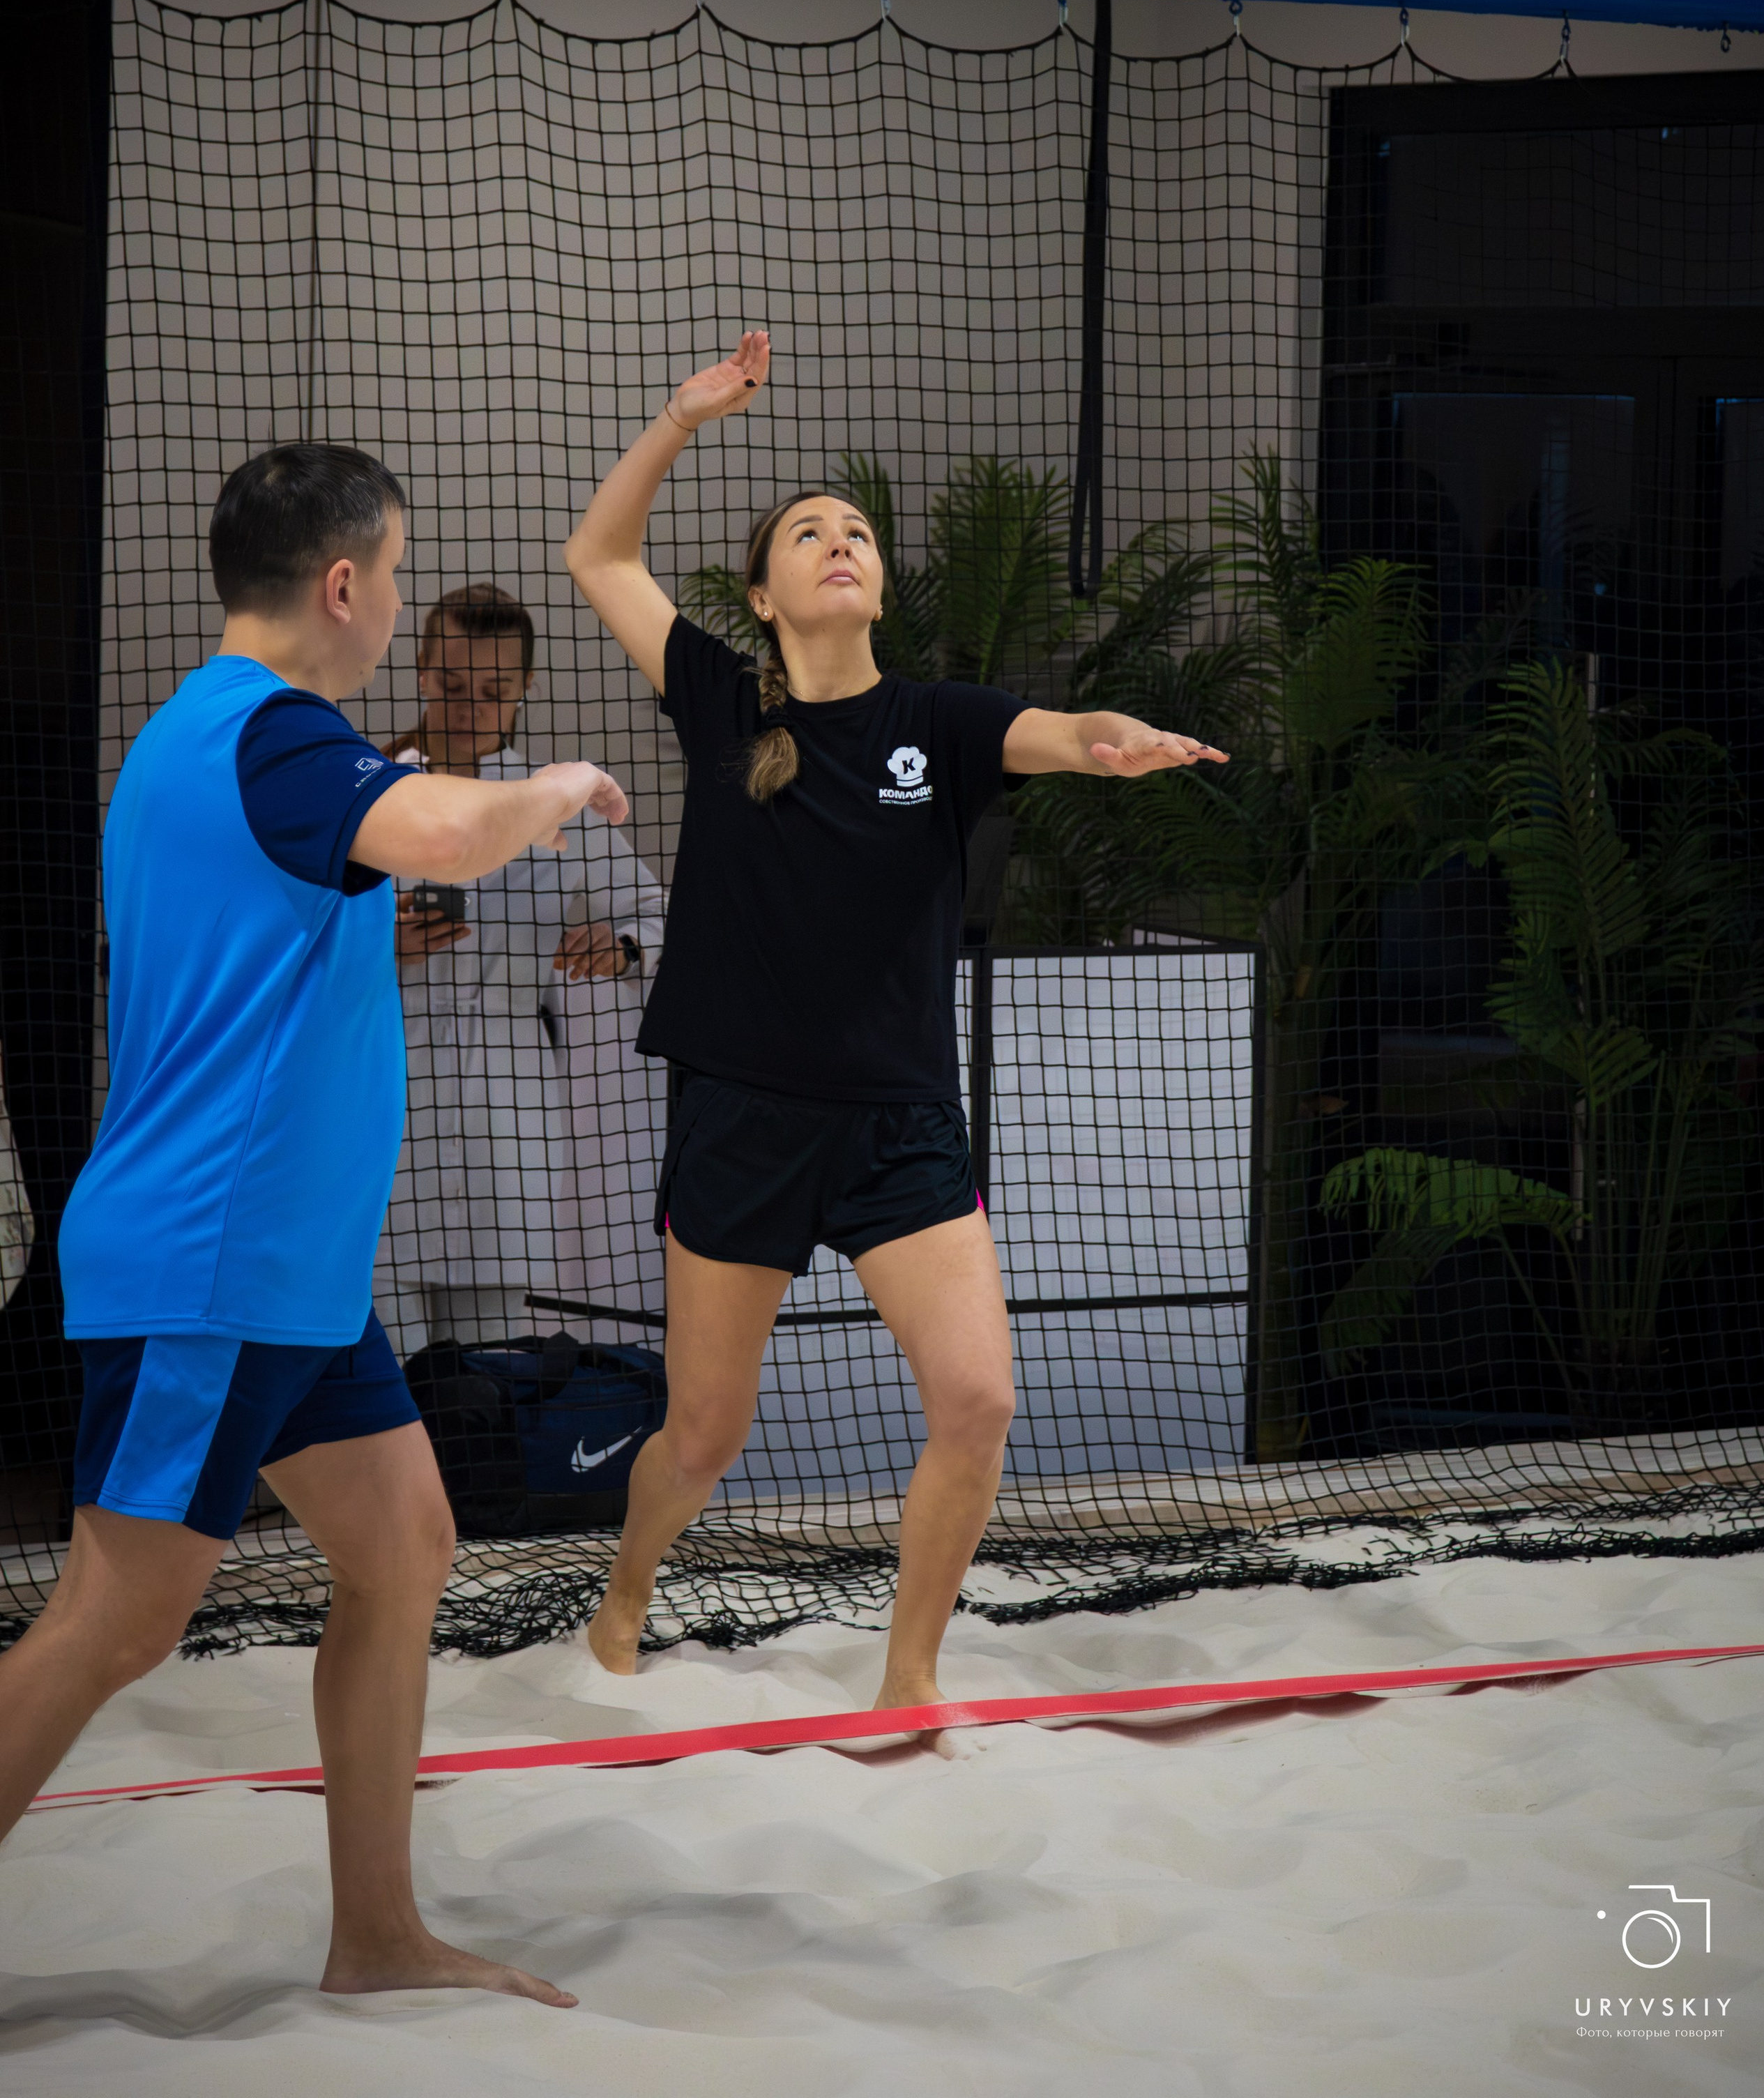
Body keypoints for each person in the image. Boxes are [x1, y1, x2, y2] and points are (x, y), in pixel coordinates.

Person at [0, 442, 625, 2007]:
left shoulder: (189, 739)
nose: (400, 605)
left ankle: (376, 1941)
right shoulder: (275, 735)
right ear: (340, 586)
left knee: (404, 1548)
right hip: (213, 1264)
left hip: (290, 1276)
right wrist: (548, 786)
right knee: (112, 1625)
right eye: (396, 576)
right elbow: (447, 835)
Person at [563, 333, 1229, 1707]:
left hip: (901, 1124)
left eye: (856, 530)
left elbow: (1060, 727)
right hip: (741, 1115)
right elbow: (598, 559)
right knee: (699, 1439)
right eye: (809, 532)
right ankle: (625, 1593)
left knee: (977, 1404)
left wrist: (1117, 736)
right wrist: (683, 414)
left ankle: (907, 1681)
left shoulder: (941, 717)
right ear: (765, 591)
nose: (840, 542)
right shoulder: (718, 698)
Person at [374, 583, 666, 1356]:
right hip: (376, 1104)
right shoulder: (370, 791)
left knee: (489, 1382)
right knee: (377, 1366)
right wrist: (377, 944)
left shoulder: (555, 805)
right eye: (453, 684)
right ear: (424, 673)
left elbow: (664, 918)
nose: (471, 704)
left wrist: (625, 947)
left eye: (494, 690)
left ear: (525, 690)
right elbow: (288, 935)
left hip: (511, 1120)